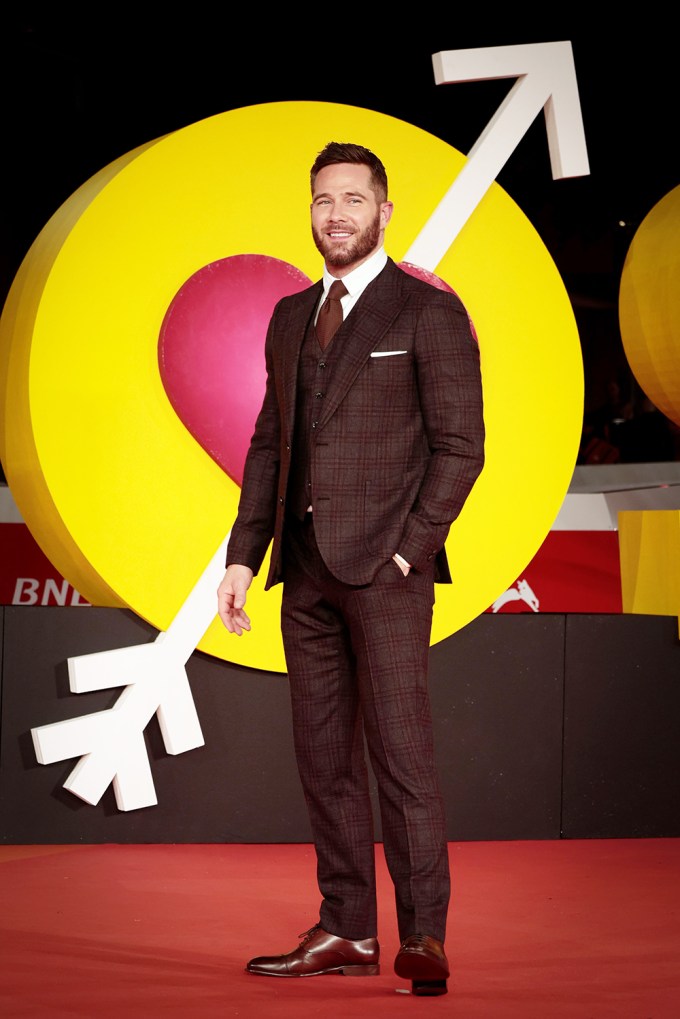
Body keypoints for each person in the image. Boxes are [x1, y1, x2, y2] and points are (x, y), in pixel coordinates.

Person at [217, 141, 485, 997]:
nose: (336, 214)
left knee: (402, 756)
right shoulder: (291, 314)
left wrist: (411, 547)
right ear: (311, 211)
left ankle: (426, 937)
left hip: (390, 572)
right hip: (304, 571)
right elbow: (269, 444)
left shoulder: (425, 313)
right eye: (323, 200)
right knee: (324, 759)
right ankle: (346, 927)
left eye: (353, 200)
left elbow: (461, 447)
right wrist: (239, 557)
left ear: (384, 210)